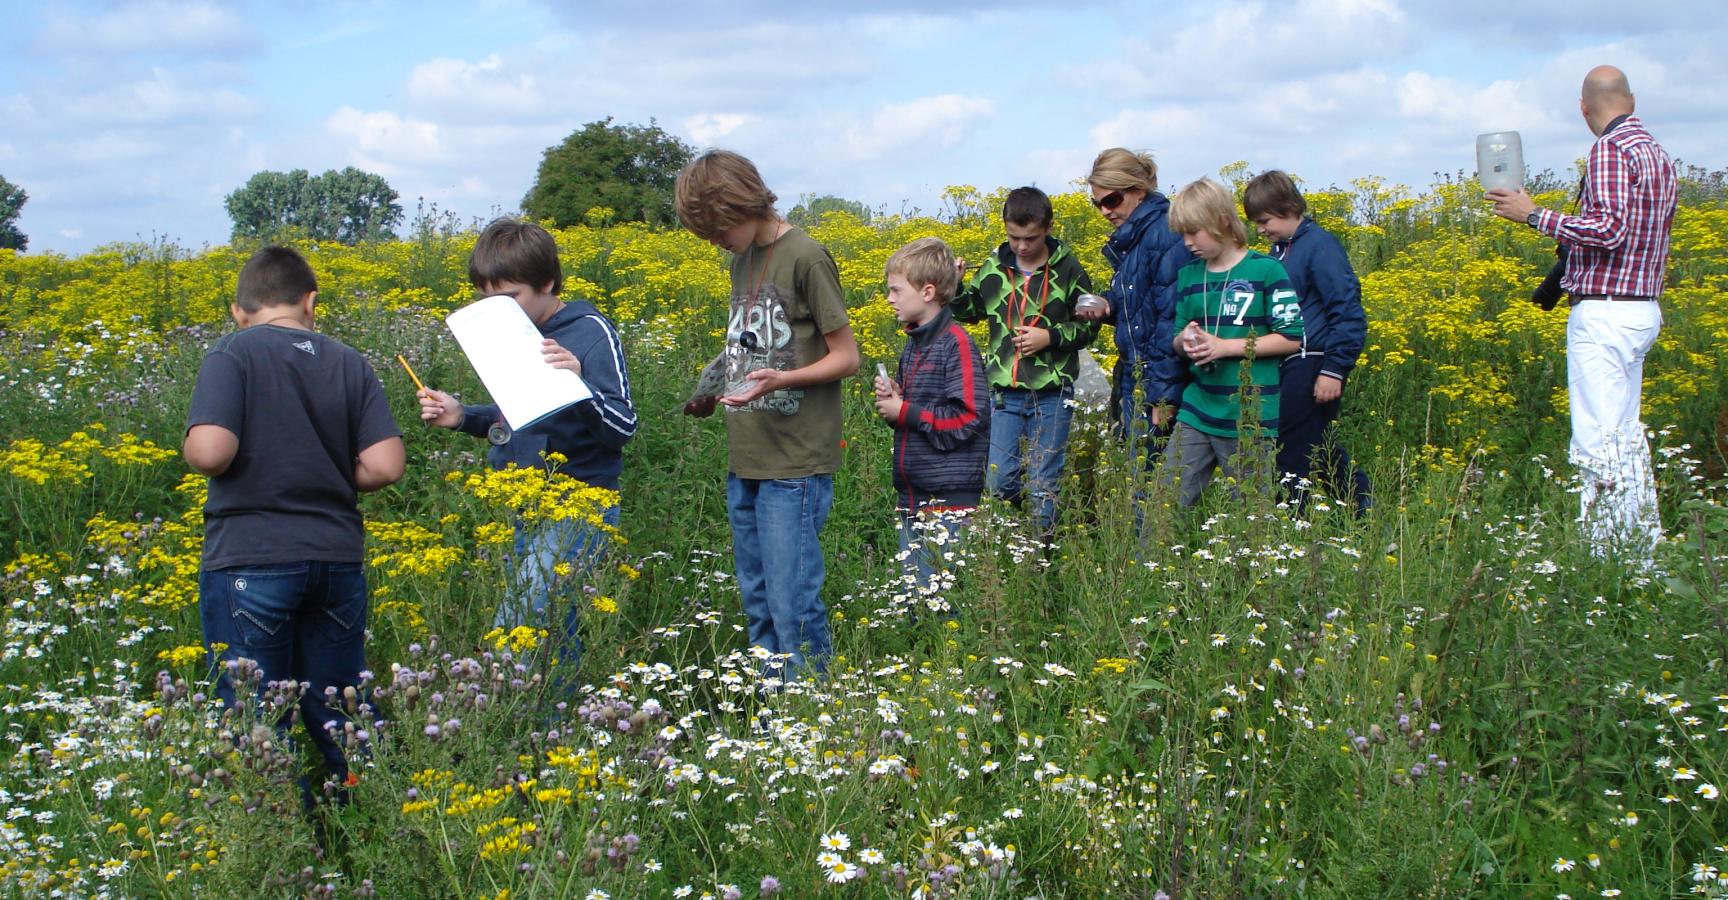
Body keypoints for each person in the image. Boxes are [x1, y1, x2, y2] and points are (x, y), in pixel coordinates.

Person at [184, 246, 405, 800]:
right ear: (311, 302)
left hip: (252, 559)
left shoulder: (231, 354)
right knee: (340, 702)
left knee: (257, 717)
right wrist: (323, 471)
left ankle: (285, 851)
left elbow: (211, 452)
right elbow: (384, 465)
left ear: (239, 311)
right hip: (335, 560)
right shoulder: (349, 361)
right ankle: (383, 812)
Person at [417, 218, 637, 667]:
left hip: (579, 504)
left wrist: (579, 383)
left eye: (512, 297)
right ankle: (559, 727)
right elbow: (518, 418)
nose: (501, 309)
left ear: (548, 283)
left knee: (516, 627)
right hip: (519, 503)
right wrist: (464, 417)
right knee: (557, 633)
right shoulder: (506, 333)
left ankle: (501, 714)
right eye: (488, 299)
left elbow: (622, 429)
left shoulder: (591, 330)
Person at [675, 150, 860, 676]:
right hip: (748, 454)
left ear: (744, 202)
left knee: (791, 602)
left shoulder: (806, 256)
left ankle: (811, 713)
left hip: (794, 462)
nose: (714, 241)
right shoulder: (741, 259)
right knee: (757, 602)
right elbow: (753, 342)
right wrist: (717, 385)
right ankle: (773, 716)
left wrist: (781, 380)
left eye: (718, 228)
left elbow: (847, 358)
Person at [1487, 65, 1675, 561]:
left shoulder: (1611, 150)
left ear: (1583, 108)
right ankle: (1641, 551)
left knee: (1599, 441)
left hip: (1607, 312)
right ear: (1630, 101)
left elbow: (1607, 230)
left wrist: (1533, 214)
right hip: (1641, 308)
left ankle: (1608, 560)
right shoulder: (1654, 152)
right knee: (1626, 436)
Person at [951, 186, 1097, 536]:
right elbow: (971, 312)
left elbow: (1089, 328)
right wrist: (954, 288)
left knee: (1044, 481)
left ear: (1047, 228)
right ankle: (1018, 533)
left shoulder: (1069, 269)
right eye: (1013, 237)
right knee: (1000, 480)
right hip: (1004, 393)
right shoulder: (993, 267)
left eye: (1030, 238)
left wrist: (1051, 337)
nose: (1021, 246)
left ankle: (1040, 553)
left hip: (1053, 393)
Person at [1166, 178, 1305, 507]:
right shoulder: (1188, 275)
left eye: (1194, 232)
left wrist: (1224, 347)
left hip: (1249, 417)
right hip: (1197, 410)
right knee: (1164, 505)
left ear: (1222, 221)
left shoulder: (1266, 270)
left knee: (1249, 518)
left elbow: (1290, 338)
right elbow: (1176, 337)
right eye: (1182, 234)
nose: (1187, 242)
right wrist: (1185, 341)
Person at [1242, 170, 1372, 513]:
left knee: (1291, 448)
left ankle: (1293, 518)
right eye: (1256, 223)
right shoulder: (1281, 250)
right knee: (1316, 444)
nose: (1260, 229)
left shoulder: (1320, 246)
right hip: (1288, 361)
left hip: (1313, 360)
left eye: (1265, 220)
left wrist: (1334, 368)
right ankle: (1361, 509)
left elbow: (1347, 310)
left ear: (1288, 208)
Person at [872, 237, 989, 607]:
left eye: (895, 290)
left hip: (947, 500)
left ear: (927, 291)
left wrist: (904, 410)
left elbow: (969, 418)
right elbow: (925, 411)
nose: (889, 299)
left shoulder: (956, 343)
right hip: (914, 494)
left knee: (942, 604)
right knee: (916, 600)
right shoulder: (916, 343)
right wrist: (897, 396)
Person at [1077, 148, 1193, 462]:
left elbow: (1170, 319)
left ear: (1138, 191)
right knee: (1134, 473)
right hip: (1137, 374)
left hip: (1155, 380)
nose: (1104, 211)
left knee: (1149, 478)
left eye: (1111, 200)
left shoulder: (1164, 236)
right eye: (1097, 203)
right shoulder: (1135, 238)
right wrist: (1108, 306)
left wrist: (1164, 396)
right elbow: (1142, 304)